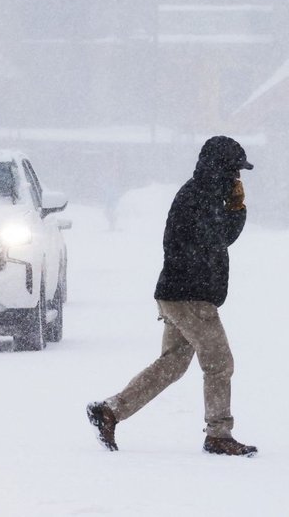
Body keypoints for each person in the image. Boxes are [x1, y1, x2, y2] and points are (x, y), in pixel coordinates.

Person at [86, 135, 258, 457]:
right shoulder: (201, 198)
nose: (238, 177)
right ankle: (219, 434)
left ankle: (111, 410)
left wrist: (231, 208)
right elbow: (218, 238)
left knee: (173, 365)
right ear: (221, 168)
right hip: (191, 297)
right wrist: (238, 210)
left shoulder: (199, 194)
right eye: (235, 170)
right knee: (220, 363)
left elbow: (212, 239)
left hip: (177, 294)